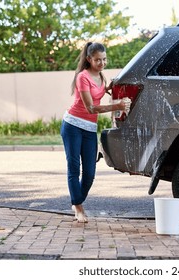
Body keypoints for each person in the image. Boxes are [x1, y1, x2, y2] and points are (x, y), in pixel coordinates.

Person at [61, 42, 131, 223]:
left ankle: (77, 200)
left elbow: (102, 93)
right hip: (73, 125)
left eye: (104, 59)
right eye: (98, 60)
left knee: (90, 172)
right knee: (74, 168)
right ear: (89, 59)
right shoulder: (82, 77)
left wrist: (112, 89)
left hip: (90, 129)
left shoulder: (101, 76)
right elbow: (91, 108)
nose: (102, 63)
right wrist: (117, 105)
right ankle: (78, 208)